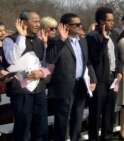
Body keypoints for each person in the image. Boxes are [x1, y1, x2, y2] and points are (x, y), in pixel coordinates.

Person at [46, 13, 97, 141]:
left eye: (80, 23)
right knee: (62, 121)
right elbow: (50, 59)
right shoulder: (55, 41)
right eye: (77, 24)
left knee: (77, 119)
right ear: (66, 26)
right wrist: (62, 40)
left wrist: (93, 79)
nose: (81, 26)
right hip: (64, 87)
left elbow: (88, 62)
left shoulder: (83, 41)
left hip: (81, 85)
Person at [2, 10, 49, 141]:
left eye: (39, 21)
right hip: (21, 92)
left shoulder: (39, 41)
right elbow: (12, 60)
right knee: (22, 129)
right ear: (23, 22)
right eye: (35, 21)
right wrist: (21, 37)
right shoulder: (9, 40)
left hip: (39, 90)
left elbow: (46, 64)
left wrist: (42, 72)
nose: (38, 24)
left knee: (41, 128)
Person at [86, 7, 123, 141]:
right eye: (109, 20)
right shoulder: (92, 36)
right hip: (99, 80)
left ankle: (107, 137)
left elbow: (117, 56)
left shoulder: (114, 34)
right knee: (96, 112)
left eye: (113, 20)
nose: (112, 23)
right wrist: (104, 40)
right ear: (101, 21)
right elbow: (94, 58)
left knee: (109, 111)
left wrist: (119, 71)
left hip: (113, 78)